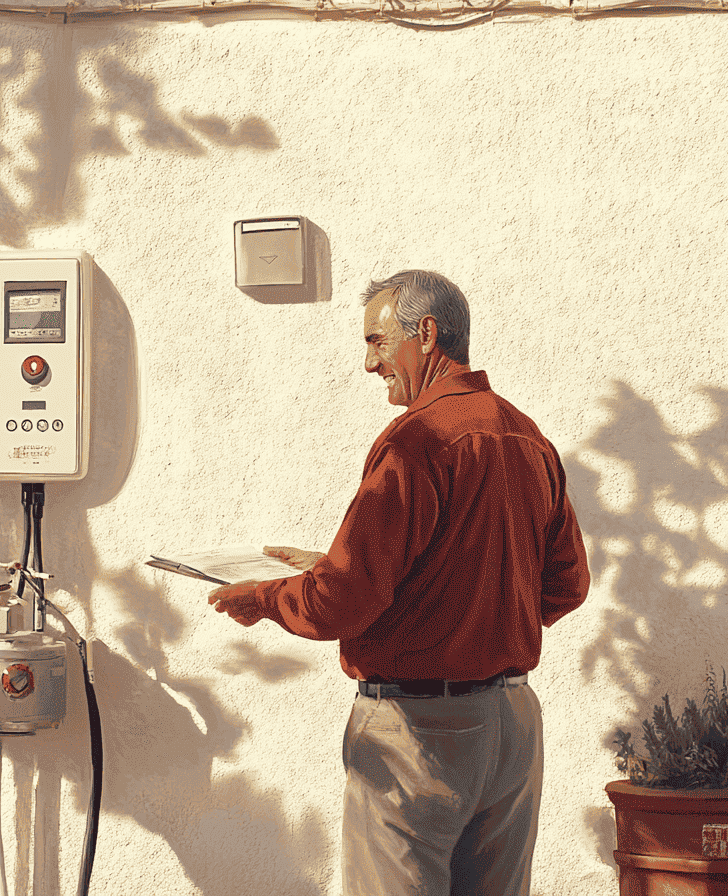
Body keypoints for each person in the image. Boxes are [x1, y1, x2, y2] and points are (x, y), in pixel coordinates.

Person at [208, 270, 589, 896]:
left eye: (378, 342)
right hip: (510, 727)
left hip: (417, 733)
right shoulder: (528, 437)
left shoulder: (417, 442)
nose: (368, 362)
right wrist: (474, 618)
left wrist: (266, 596)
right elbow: (565, 585)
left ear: (427, 334)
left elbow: (341, 601)